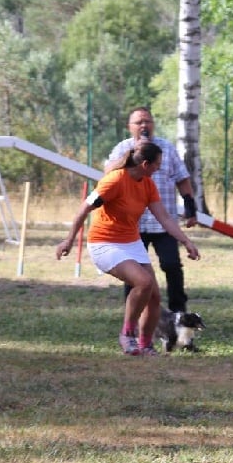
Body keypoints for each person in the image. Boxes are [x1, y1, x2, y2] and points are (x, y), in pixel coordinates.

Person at [56, 141, 200, 356]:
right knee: (143, 282)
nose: (159, 168)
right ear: (145, 164)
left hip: (131, 243)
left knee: (153, 297)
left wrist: (186, 242)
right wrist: (68, 240)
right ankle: (127, 334)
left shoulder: (148, 184)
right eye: (157, 164)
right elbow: (84, 208)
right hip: (104, 243)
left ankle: (145, 345)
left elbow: (164, 218)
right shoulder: (114, 181)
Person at [106, 107, 197, 314]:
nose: (144, 126)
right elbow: (107, 173)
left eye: (147, 121)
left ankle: (178, 311)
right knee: (134, 272)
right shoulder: (123, 148)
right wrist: (132, 155)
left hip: (163, 222)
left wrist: (190, 205)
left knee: (172, 265)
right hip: (133, 225)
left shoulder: (166, 148)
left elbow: (182, 178)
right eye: (138, 122)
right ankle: (134, 314)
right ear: (130, 127)